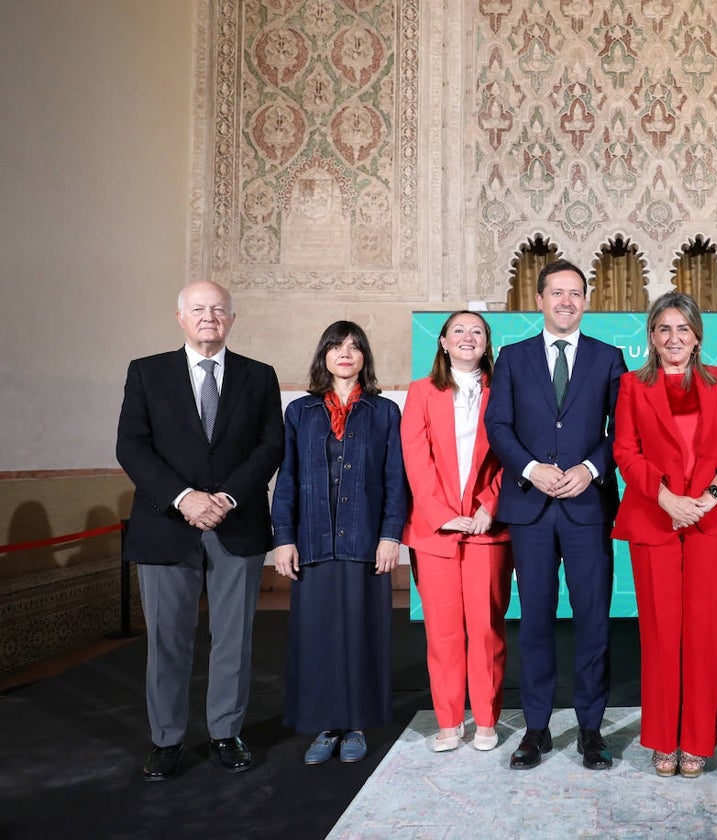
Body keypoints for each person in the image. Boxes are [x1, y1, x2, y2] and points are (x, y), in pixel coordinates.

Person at [116, 280, 284, 781]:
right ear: (180, 317)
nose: (208, 316)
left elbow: (270, 445)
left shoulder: (259, 376)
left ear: (231, 318)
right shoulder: (146, 372)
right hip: (166, 525)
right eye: (198, 309)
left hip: (237, 524)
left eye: (218, 309)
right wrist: (184, 497)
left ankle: (225, 733)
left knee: (234, 637)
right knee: (168, 639)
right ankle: (166, 740)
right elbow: (132, 446)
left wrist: (227, 497)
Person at [484, 258, 627, 771]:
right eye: (557, 293)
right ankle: (537, 728)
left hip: (588, 509)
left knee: (593, 621)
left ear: (585, 301)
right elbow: (498, 424)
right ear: (539, 300)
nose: (566, 301)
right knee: (536, 623)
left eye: (576, 293)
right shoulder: (513, 356)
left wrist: (591, 467)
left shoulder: (609, 358)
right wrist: (529, 468)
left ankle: (591, 729)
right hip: (531, 508)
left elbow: (622, 433)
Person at [611, 292, 717, 778]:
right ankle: (662, 740)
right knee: (659, 635)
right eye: (664, 328)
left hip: (710, 522)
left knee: (704, 635)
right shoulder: (632, 385)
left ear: (697, 337)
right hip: (655, 520)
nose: (674, 338)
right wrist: (666, 499)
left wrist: (709, 497)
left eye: (683, 329)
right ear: (651, 335)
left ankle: (696, 740)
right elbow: (625, 451)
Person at [270, 321, 406, 764]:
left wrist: (390, 536)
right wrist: (284, 539)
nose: (345, 353)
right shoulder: (300, 413)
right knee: (318, 637)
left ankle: (357, 725)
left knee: (362, 634)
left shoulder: (384, 412)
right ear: (323, 356)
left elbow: (394, 480)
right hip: (313, 542)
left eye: (354, 347)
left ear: (365, 357)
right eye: (336, 346)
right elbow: (286, 479)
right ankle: (326, 726)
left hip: (366, 542)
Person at [401, 311, 512, 753]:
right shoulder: (421, 392)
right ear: (443, 342)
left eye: (477, 332)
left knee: (486, 629)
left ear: (488, 344)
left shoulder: (505, 392)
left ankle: (486, 719)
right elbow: (415, 457)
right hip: (436, 532)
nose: (468, 337)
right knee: (443, 631)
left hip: (488, 529)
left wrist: (491, 504)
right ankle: (449, 721)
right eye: (459, 331)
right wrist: (442, 513)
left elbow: (513, 454)